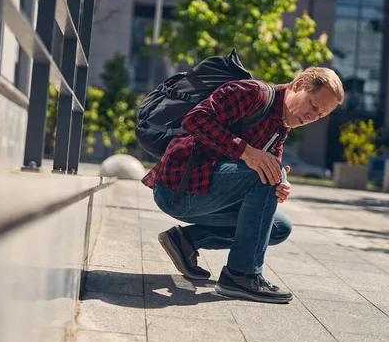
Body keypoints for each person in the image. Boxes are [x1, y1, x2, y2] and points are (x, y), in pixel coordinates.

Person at [141, 67, 344, 304]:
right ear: (298, 86)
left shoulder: (281, 127)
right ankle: (241, 275)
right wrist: (248, 154)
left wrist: (280, 186)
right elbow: (194, 119)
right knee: (268, 175)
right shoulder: (253, 94)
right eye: (313, 105)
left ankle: (186, 240)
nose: (312, 116)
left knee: (280, 227)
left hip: (204, 195)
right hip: (179, 189)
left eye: (320, 115)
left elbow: (269, 168)